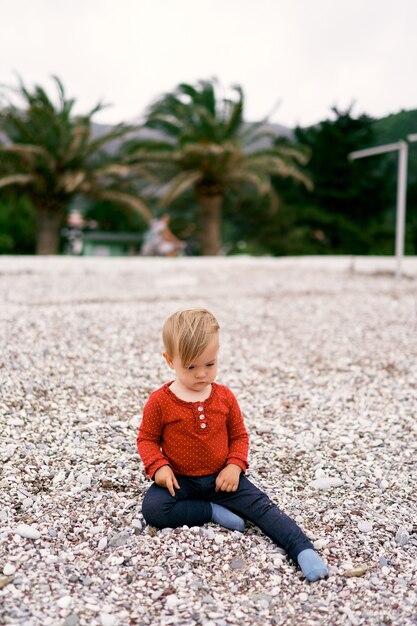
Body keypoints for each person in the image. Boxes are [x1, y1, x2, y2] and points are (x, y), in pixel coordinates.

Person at [137, 308, 329, 582]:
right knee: (153, 510)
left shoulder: (224, 397)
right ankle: (210, 511)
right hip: (180, 481)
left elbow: (239, 436)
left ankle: (301, 549)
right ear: (170, 360)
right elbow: (146, 439)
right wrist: (158, 467)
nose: (202, 374)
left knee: (263, 508)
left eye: (210, 364)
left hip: (223, 478)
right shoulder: (160, 401)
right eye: (191, 367)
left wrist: (234, 466)